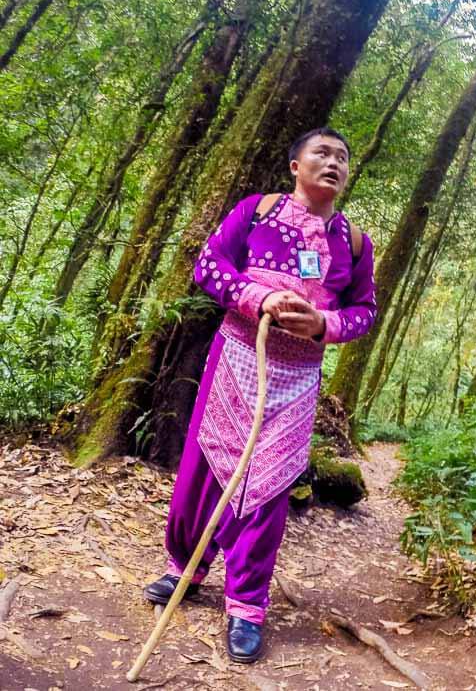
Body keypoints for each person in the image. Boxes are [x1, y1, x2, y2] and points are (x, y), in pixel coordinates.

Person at [141, 127, 376, 663]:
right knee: (204, 469)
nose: (333, 162)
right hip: (236, 358)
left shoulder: (354, 245)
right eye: (322, 153)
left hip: (297, 382)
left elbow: (365, 311)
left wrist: (322, 323)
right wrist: (260, 296)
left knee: (267, 487)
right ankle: (186, 568)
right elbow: (209, 267)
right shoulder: (255, 211)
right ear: (296, 165)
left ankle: (246, 605)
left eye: (342, 155)